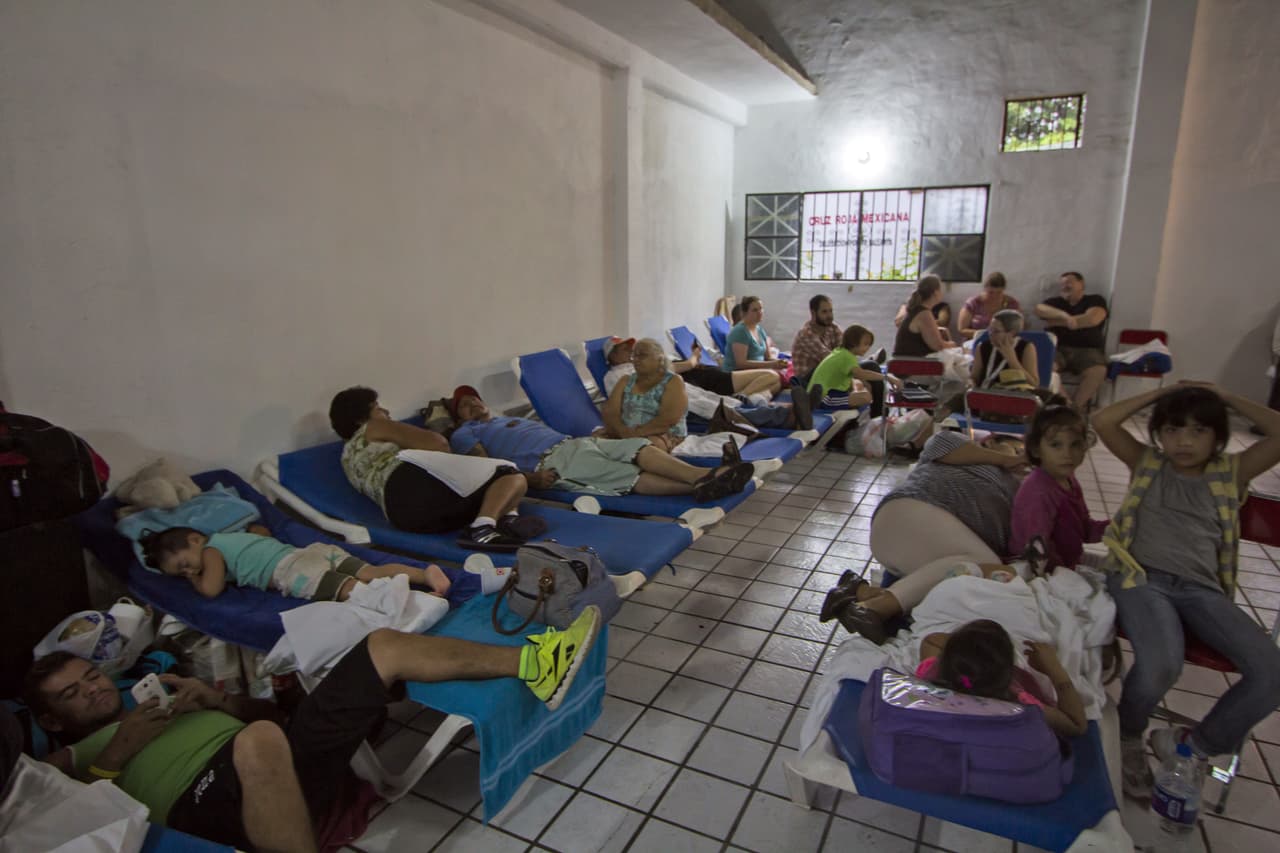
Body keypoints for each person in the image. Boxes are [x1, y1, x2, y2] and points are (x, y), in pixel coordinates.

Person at [23, 608, 602, 852]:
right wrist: (116, 754)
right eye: (73, 694)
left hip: (276, 761)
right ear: (52, 722)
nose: (93, 690)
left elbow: (268, 723)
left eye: (91, 676)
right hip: (205, 803)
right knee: (257, 744)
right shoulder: (71, 759)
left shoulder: (165, 699)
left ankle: (537, 662)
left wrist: (215, 699)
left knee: (380, 645)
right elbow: (49, 819)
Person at [1092, 382, 1280, 799]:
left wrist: (1225, 395)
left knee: (1272, 672)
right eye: (1173, 429)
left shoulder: (1231, 472)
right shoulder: (1148, 463)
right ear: (1159, 433)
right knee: (1162, 664)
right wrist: (1161, 394)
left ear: (1218, 435)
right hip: (1141, 578)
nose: (1184, 441)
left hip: (1202, 590)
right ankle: (1128, 734)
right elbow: (1102, 420)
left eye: (1198, 430)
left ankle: (1192, 746)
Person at [827, 430, 1027, 642]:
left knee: (986, 575)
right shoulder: (958, 443)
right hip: (912, 513)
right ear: (992, 442)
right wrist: (1007, 460)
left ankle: (861, 593)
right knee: (986, 564)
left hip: (934, 550)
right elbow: (942, 445)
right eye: (1017, 450)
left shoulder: (1022, 488)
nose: (1022, 460)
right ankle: (876, 607)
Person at [448, 386, 756, 501]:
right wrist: (530, 479)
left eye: (474, 399)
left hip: (574, 443)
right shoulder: (465, 433)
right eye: (464, 405)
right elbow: (485, 467)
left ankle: (706, 477)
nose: (473, 404)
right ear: (458, 417)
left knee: (639, 447)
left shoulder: (503, 419)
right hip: (552, 463)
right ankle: (701, 485)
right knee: (626, 476)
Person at [329, 387, 534, 552]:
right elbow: (438, 444)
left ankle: (498, 522)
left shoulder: (346, 458)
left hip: (406, 518)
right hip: (414, 486)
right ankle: (487, 526)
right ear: (360, 419)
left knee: (504, 481)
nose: (386, 412)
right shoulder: (372, 427)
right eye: (377, 408)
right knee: (509, 472)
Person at [138, 525, 452, 602]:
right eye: (181, 573)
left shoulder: (210, 552)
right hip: (312, 552)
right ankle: (423, 574)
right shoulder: (230, 535)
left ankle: (408, 601)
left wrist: (194, 579)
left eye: (184, 564)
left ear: (195, 539)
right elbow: (261, 532)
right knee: (371, 571)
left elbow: (211, 589)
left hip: (292, 571)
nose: (188, 571)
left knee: (351, 590)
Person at [918, 620, 1087, 738]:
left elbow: (931, 640)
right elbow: (1076, 725)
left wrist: (967, 647)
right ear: (1008, 675)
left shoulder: (930, 677)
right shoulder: (1019, 704)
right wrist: (1055, 669)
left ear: (946, 659)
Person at [1009, 405, 1108, 570]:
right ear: (1036, 450)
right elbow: (1036, 554)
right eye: (1056, 445)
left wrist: (1114, 529)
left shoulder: (1069, 481)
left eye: (1075, 444)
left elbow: (1083, 530)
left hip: (1068, 562)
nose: (1067, 454)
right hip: (1041, 571)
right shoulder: (1039, 492)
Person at [602, 336, 780, 410]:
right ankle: (771, 411)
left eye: (631, 348)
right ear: (612, 356)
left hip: (693, 388)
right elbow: (626, 399)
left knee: (719, 403)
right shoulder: (614, 376)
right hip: (701, 386)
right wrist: (695, 356)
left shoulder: (645, 364)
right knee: (721, 407)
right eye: (624, 349)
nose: (631, 352)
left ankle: (758, 402)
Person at [600, 338, 692, 454]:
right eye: (634, 355)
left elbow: (668, 419)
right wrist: (623, 431)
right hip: (626, 432)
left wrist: (636, 433)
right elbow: (611, 412)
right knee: (591, 444)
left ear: (660, 359)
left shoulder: (672, 381)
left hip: (663, 434)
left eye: (642, 355)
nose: (636, 360)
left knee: (643, 448)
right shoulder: (625, 380)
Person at [1034, 272, 1109, 410]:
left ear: (1082, 284)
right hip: (1058, 349)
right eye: (1062, 284)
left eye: (1069, 282)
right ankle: (1066, 405)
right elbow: (1039, 310)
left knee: (1098, 370)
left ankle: (1076, 408)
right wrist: (1065, 316)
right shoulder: (1055, 302)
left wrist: (1057, 321)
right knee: (1045, 367)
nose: (1065, 286)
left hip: (1087, 351)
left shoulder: (1094, 300)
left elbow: (1093, 319)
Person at [806, 324, 900, 417]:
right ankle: (877, 416)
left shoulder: (841, 352)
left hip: (832, 393)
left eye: (869, 345)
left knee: (864, 387)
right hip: (824, 398)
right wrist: (887, 377)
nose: (868, 348)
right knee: (865, 397)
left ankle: (869, 415)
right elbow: (861, 374)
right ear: (853, 343)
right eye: (865, 344)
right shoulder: (847, 357)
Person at [893, 275, 962, 356]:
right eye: (940, 290)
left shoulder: (917, 310)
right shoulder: (923, 314)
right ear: (936, 292)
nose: (942, 293)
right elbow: (938, 346)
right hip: (910, 361)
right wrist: (952, 344)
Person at [723, 296, 788, 372]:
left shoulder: (760, 330)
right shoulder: (740, 331)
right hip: (736, 373)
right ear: (745, 313)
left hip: (756, 371)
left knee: (785, 371)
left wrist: (780, 362)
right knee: (773, 375)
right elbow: (741, 364)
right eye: (755, 310)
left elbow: (768, 358)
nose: (760, 312)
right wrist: (770, 365)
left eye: (761, 309)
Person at [790, 294, 842, 381]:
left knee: (867, 365)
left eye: (831, 311)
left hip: (827, 373)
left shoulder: (833, 327)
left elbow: (846, 350)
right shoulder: (806, 334)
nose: (829, 316)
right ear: (813, 313)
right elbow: (830, 359)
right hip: (808, 380)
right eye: (824, 312)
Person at [958, 272, 1022, 341]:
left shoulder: (1011, 304)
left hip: (1003, 342)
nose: (994, 296)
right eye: (991, 292)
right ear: (985, 289)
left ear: (1003, 290)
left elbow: (1018, 328)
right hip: (975, 341)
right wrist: (986, 334)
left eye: (999, 293)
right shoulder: (973, 303)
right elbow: (962, 330)